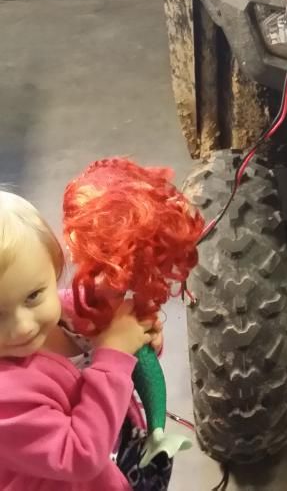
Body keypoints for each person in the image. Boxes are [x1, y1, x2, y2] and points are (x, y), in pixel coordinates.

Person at [0, 190, 164, 490]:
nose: (22, 327)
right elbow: (78, 455)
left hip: (119, 460)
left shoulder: (64, 314)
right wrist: (114, 355)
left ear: (54, 268)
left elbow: (96, 335)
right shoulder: (5, 399)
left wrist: (131, 330)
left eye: (33, 296)